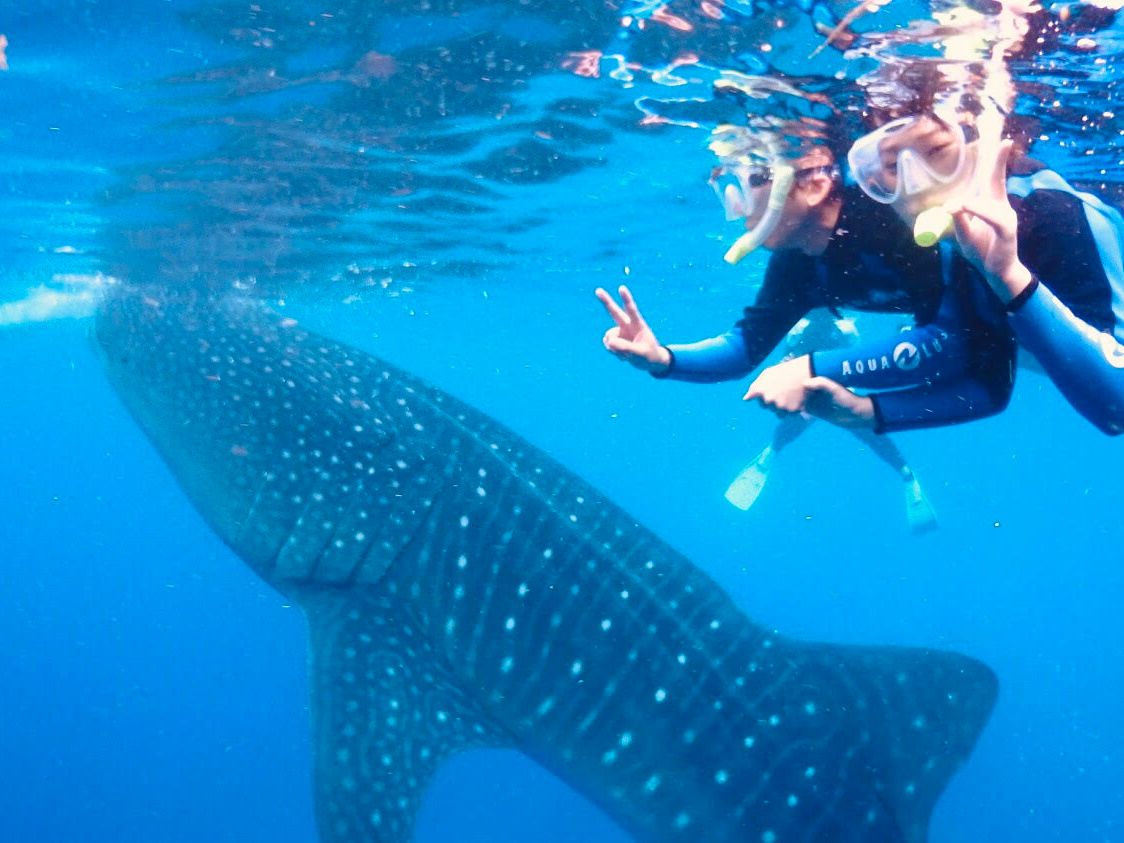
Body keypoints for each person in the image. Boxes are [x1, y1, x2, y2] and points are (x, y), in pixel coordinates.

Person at [596, 125, 1016, 435]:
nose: (738, 207)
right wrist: (663, 359)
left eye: (752, 180)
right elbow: (743, 347)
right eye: (730, 186)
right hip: (1005, 328)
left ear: (815, 181)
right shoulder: (796, 263)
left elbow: (952, 345)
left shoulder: (893, 219)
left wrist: (811, 368)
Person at [760, 108, 1124, 434]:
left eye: (936, 151)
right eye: (893, 167)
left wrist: (1009, 276)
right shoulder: (956, 242)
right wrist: (865, 411)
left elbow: (1118, 409)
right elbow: (985, 381)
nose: (918, 184)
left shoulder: (1057, 215)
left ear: (977, 145)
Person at [725, 312, 938, 533]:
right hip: (811, 385)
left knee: (855, 426)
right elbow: (789, 364)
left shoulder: (838, 332)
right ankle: (905, 473)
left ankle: (770, 453)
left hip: (833, 384)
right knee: (829, 423)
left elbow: (853, 365)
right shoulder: (806, 331)